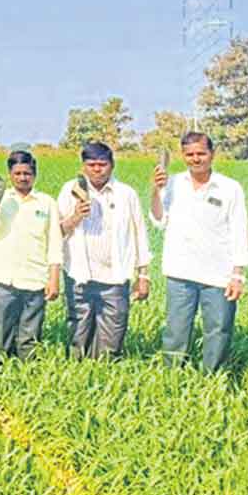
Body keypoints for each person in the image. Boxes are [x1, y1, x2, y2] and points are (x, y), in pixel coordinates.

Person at [150, 132, 248, 371]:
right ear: (183, 156)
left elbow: (238, 230)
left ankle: (213, 379)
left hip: (218, 275)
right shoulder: (172, 183)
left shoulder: (229, 188)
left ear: (212, 154)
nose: (196, 159)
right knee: (176, 329)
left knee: (218, 330)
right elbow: (158, 220)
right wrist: (155, 190)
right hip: (180, 272)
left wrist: (238, 274)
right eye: (189, 154)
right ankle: (171, 378)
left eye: (201, 153)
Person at [58, 141, 151, 360]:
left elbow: (140, 234)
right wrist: (76, 216)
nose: (97, 169)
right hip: (79, 275)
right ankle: (77, 376)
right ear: (83, 166)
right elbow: (57, 231)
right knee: (78, 333)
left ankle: (105, 373)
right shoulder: (71, 190)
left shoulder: (126, 194)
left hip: (115, 277)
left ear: (112, 165)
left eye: (102, 164)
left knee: (113, 335)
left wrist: (143, 275)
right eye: (91, 165)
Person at [0, 150, 62, 359]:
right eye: (17, 173)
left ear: (34, 174)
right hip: (4, 279)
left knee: (30, 338)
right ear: (10, 174)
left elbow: (55, 242)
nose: (23, 178)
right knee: (2, 336)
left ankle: (27, 377)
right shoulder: (0, 200)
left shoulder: (46, 203)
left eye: (27, 173)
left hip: (35, 279)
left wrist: (53, 279)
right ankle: (0, 377)